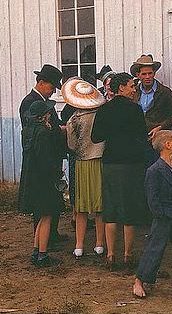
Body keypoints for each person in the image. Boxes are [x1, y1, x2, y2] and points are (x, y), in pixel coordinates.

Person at [91, 72, 150, 271]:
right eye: (132, 86)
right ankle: (127, 255)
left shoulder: (104, 109)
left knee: (111, 208)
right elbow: (142, 136)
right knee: (129, 209)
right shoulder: (135, 110)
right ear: (121, 88)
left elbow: (96, 137)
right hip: (131, 163)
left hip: (111, 162)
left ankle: (110, 255)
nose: (134, 89)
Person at [133, 130, 172, 298]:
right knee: (155, 249)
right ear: (167, 145)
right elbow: (152, 197)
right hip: (165, 215)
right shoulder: (154, 170)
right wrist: (159, 214)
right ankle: (140, 280)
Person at [17, 64, 67, 244]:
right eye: (52, 87)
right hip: (41, 156)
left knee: (51, 197)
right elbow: (35, 129)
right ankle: (45, 240)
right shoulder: (30, 102)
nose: (53, 92)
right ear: (41, 82)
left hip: (48, 154)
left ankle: (51, 234)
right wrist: (58, 130)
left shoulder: (40, 101)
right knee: (43, 201)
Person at [63, 77, 106, 258]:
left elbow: (71, 145)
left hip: (81, 162)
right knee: (99, 206)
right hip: (98, 161)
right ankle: (99, 244)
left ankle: (79, 245)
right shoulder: (101, 115)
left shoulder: (73, 119)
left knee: (80, 207)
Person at [20, 100, 66, 267]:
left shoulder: (28, 131)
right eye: (48, 112)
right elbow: (46, 159)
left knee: (40, 216)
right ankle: (42, 254)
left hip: (33, 180)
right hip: (44, 181)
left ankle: (36, 250)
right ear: (43, 116)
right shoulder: (43, 133)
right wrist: (57, 172)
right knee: (47, 216)